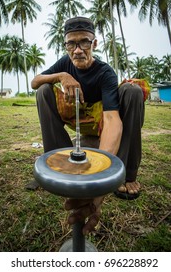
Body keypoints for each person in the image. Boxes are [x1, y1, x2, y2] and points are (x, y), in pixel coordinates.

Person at [29, 17, 144, 235]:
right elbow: (35, 81)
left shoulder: (105, 72)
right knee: (43, 89)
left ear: (95, 44)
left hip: (101, 124)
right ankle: (60, 162)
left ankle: (126, 174)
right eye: (71, 44)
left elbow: (111, 119)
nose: (78, 50)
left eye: (84, 42)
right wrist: (61, 76)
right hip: (77, 120)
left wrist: (100, 176)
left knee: (133, 91)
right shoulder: (65, 64)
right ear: (66, 46)